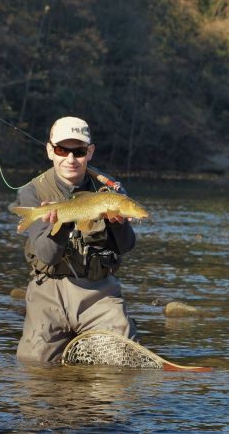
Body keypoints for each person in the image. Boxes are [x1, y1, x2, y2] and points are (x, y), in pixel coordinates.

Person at [15, 116, 138, 362]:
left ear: (90, 152)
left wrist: (120, 225)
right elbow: (47, 254)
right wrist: (64, 219)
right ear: (50, 150)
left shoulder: (111, 191)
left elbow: (126, 246)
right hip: (47, 290)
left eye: (79, 151)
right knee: (35, 365)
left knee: (119, 363)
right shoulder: (31, 192)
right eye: (62, 150)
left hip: (99, 291)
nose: (70, 159)